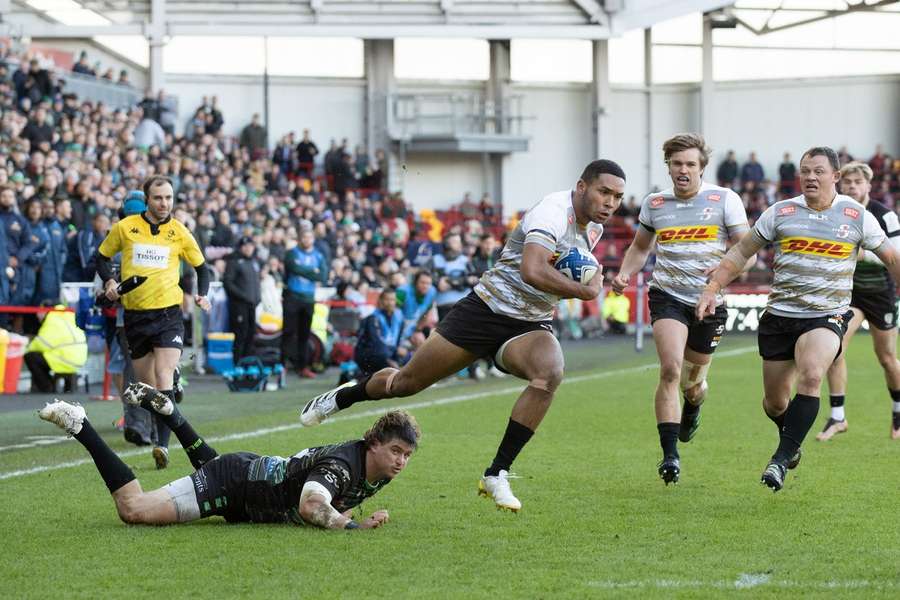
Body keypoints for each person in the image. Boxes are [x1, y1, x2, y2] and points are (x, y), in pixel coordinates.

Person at [300, 159, 626, 512]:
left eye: (617, 197)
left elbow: (564, 275)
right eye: (604, 192)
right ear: (581, 187)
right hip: (484, 311)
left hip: (528, 323)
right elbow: (532, 270)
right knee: (404, 385)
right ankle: (347, 395)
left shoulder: (594, 229)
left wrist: (593, 279)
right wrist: (585, 291)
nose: (610, 202)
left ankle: (496, 473)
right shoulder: (552, 212)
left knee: (550, 373)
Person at [697, 146, 900, 492]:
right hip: (780, 316)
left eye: (818, 171)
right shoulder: (781, 211)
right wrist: (713, 286)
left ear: (834, 177)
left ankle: (779, 461)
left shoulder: (856, 215)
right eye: (805, 171)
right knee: (774, 402)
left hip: (827, 314)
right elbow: (742, 251)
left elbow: (892, 258)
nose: (810, 177)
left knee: (811, 375)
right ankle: (790, 438)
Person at [37, 389, 418, 530]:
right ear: (373, 443)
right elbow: (312, 504)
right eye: (396, 451)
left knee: (218, 469)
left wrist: (353, 515)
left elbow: (332, 501)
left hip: (247, 475)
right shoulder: (343, 464)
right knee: (134, 510)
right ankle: (80, 423)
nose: (401, 461)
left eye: (407, 455)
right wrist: (355, 528)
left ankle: (171, 414)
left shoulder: (375, 468)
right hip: (233, 484)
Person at [611, 133, 749, 485]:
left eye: (690, 164)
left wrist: (721, 276)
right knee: (670, 369)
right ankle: (670, 456)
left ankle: (695, 404)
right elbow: (641, 247)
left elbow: (745, 253)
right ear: (668, 167)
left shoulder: (724, 199)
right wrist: (626, 273)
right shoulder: (655, 203)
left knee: (693, 384)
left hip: (709, 300)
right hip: (667, 294)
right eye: (677, 164)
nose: (683, 170)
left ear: (702, 167)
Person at [95, 175, 211, 470]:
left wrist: (202, 295)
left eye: (169, 198)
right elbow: (101, 256)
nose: (164, 203)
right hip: (135, 317)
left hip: (168, 315)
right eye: (158, 198)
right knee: (150, 389)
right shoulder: (125, 228)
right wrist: (109, 280)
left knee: (162, 376)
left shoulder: (180, 232)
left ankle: (162, 445)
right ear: (147, 200)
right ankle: (170, 388)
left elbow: (201, 267)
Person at [819, 162, 900, 441]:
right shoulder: (836, 210)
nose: (852, 187)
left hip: (880, 295)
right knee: (835, 348)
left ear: (868, 186)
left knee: (887, 358)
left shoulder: (884, 215)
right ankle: (837, 417)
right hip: (850, 295)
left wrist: (863, 255)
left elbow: (896, 255)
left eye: (857, 182)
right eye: (848, 182)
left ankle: (898, 414)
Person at [282, 227, 327, 378]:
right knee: (288, 332)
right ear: (300, 239)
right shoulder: (291, 253)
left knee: (305, 334)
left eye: (310, 238)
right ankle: (281, 365)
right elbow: (293, 268)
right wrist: (311, 272)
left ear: (313, 239)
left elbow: (322, 276)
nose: (307, 240)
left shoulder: (319, 256)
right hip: (292, 297)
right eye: (304, 237)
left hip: (308, 299)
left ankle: (303, 367)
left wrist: (309, 272)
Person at [24, 305, 87, 393]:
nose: (37, 316)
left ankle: (48, 387)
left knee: (30, 356)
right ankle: (60, 385)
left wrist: (25, 348)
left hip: (65, 360)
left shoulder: (52, 320)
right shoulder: (68, 315)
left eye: (39, 312)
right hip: (79, 359)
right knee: (44, 356)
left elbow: (41, 343)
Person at [224, 235, 262, 363]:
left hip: (252, 305)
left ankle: (247, 363)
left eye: (250, 246)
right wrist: (243, 296)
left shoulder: (254, 262)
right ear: (240, 247)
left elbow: (256, 283)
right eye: (245, 246)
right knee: (240, 334)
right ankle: (237, 363)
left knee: (251, 335)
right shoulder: (234, 261)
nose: (248, 248)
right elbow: (228, 283)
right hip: (239, 305)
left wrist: (258, 297)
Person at [354, 288, 408, 377]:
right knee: (382, 354)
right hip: (370, 353)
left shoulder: (399, 317)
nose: (390, 302)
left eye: (392, 300)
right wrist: (392, 354)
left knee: (407, 355)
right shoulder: (373, 318)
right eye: (387, 299)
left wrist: (398, 351)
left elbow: (397, 340)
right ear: (381, 301)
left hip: (388, 351)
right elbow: (376, 342)